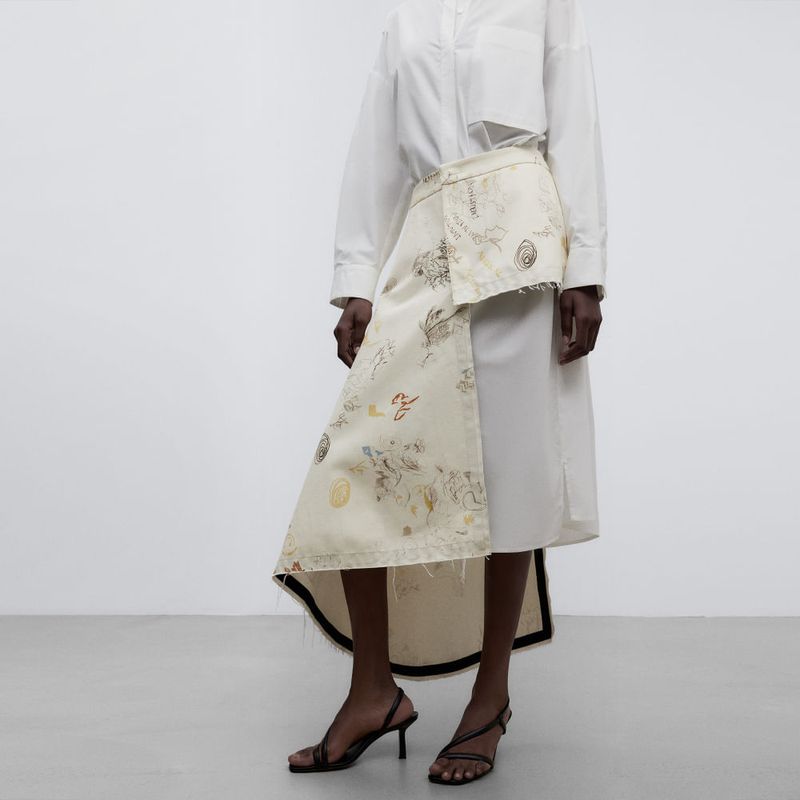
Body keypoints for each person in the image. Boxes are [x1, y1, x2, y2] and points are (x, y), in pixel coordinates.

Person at [273, 0, 607, 785]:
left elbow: (576, 125)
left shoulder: (545, 6)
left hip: (520, 248)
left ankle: (489, 698)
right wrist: (358, 281)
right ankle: (373, 690)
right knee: (360, 460)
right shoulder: (406, 16)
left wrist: (586, 270)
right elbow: (376, 151)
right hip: (426, 243)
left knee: (510, 472)